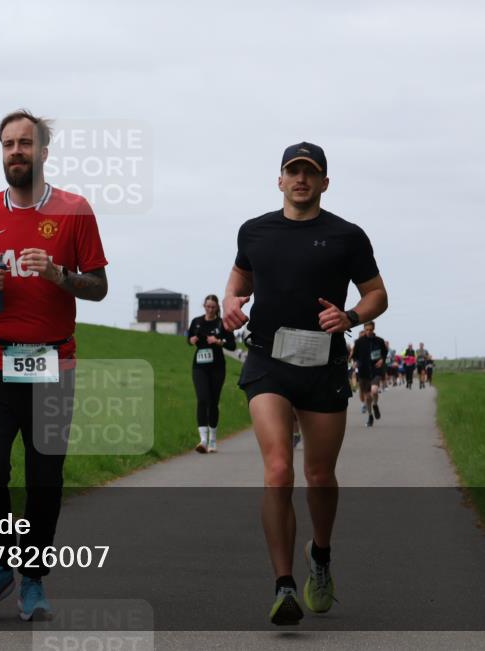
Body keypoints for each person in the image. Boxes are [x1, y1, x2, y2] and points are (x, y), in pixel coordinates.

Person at [221, 142, 388, 625]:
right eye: (292, 172)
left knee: (318, 475)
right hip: (268, 363)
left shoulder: (346, 235)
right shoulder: (254, 231)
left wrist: (352, 314)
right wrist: (233, 302)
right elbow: (238, 280)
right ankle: (283, 585)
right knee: (277, 468)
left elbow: (377, 293)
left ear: (324, 183)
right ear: (279, 180)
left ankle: (320, 555)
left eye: (310, 173)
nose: (300, 179)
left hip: (324, 365)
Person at [0, 110, 108, 621]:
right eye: (7, 144)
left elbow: (100, 287)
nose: (15, 152)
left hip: (53, 365)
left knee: (45, 479)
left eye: (25, 143)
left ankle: (34, 579)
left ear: (44, 151)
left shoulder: (75, 211)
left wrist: (62, 275)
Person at [188, 295, 237, 453]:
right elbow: (188, 338)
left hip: (217, 367)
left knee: (213, 402)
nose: (209, 309)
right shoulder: (196, 322)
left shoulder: (222, 323)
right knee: (202, 399)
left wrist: (218, 341)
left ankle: (213, 439)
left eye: (212, 307)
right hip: (199, 366)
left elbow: (232, 345)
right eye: (207, 306)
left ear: (217, 308)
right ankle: (202, 440)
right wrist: (192, 340)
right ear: (204, 306)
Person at [351, 322, 387, 427]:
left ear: (374, 329)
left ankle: (375, 405)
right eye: (367, 330)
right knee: (367, 397)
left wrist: (381, 360)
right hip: (363, 371)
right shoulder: (359, 342)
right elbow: (355, 356)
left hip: (376, 370)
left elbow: (384, 353)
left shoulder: (379, 341)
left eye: (370, 330)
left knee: (374, 390)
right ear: (364, 329)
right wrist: (356, 363)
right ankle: (370, 415)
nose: (369, 332)